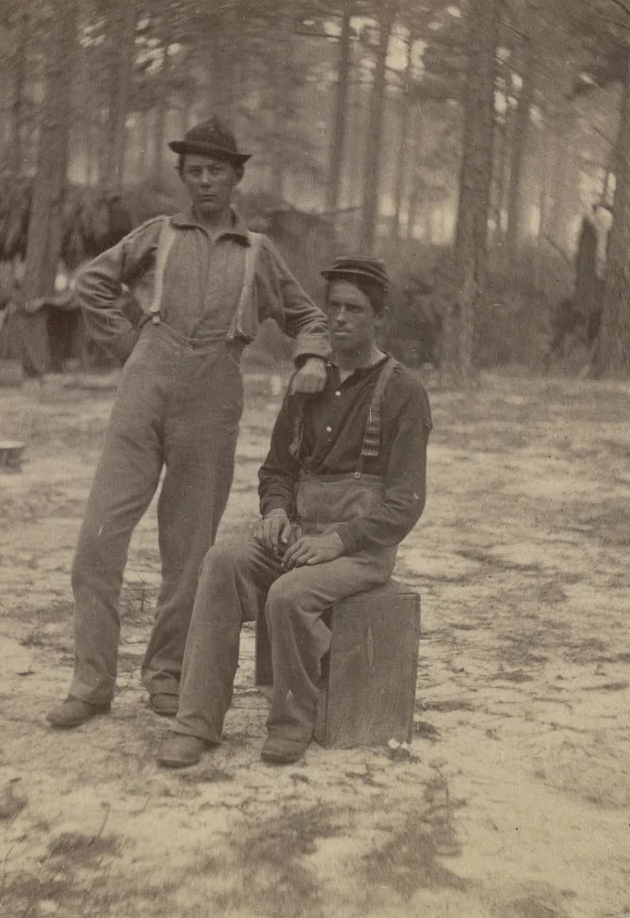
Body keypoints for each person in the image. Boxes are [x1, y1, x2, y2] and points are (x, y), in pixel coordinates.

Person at [46, 119, 331, 729]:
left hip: (212, 399)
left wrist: (311, 357)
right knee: (97, 543)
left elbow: (308, 316)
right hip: (143, 392)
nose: (204, 181)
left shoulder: (258, 252)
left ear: (236, 177)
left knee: (190, 553)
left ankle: (167, 674)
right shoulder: (158, 235)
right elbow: (93, 282)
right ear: (183, 177)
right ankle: (91, 683)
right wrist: (130, 343)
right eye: (194, 172)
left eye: (215, 171)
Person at [155, 257, 432, 767]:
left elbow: (406, 503)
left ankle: (291, 720)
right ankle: (196, 722)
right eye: (334, 307)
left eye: (355, 309)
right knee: (221, 562)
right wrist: (277, 511)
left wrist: (339, 540)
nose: (340, 318)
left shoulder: (403, 392)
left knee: (288, 593)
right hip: (299, 537)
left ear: (379, 318)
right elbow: (277, 470)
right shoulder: (307, 383)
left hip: (362, 551)